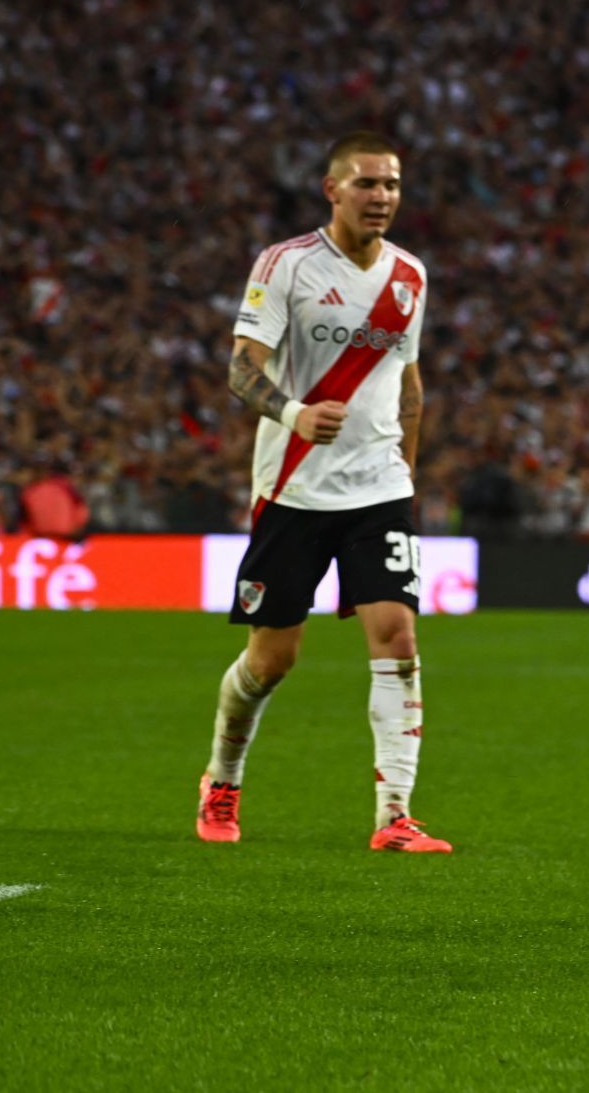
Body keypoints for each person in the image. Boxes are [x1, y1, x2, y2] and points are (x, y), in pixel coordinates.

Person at [194, 131, 449, 854]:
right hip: (295, 485)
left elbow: (409, 381)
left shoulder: (410, 276)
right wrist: (295, 412)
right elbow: (243, 368)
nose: (382, 196)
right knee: (272, 658)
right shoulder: (286, 267)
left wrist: (408, 475)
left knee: (397, 636)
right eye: (367, 183)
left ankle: (394, 814)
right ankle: (223, 777)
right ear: (332, 190)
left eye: (392, 184)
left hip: (379, 487)